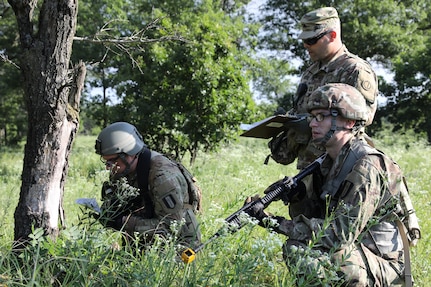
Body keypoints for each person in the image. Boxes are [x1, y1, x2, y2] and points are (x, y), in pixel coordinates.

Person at [248, 84, 420, 286]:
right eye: (312, 116)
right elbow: (317, 218)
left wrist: (272, 222)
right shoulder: (327, 161)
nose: (313, 123)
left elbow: (337, 236)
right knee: (298, 247)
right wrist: (298, 196)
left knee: (321, 257)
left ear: (348, 121)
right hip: (357, 252)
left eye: (322, 116)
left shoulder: (367, 165)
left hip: (384, 264)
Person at [268, 7, 378, 170]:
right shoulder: (310, 73)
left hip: (340, 165)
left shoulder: (355, 70)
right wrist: (289, 120)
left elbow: (363, 117)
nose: (306, 45)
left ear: (332, 35)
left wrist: (310, 121)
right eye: (304, 40)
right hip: (309, 165)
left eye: (312, 40)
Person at [94, 122, 201, 249]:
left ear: (130, 154)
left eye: (112, 160)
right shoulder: (122, 170)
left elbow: (171, 227)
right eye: (106, 161)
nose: (108, 167)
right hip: (143, 243)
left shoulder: (163, 177)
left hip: (178, 247)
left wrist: (124, 222)